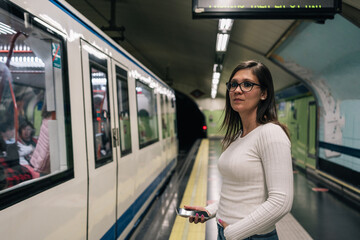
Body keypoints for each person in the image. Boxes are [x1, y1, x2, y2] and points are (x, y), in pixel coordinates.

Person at [185, 60, 293, 240]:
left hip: (250, 236)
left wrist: (234, 233)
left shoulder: (271, 133)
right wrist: (209, 210)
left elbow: (281, 202)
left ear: (264, 93)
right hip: (226, 231)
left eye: (247, 84)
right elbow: (238, 193)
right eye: (233, 84)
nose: (237, 90)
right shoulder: (237, 137)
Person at [30, 106, 53, 176]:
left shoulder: (46, 118)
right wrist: (42, 166)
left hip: (41, 159)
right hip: (44, 164)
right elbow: (47, 148)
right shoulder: (53, 120)